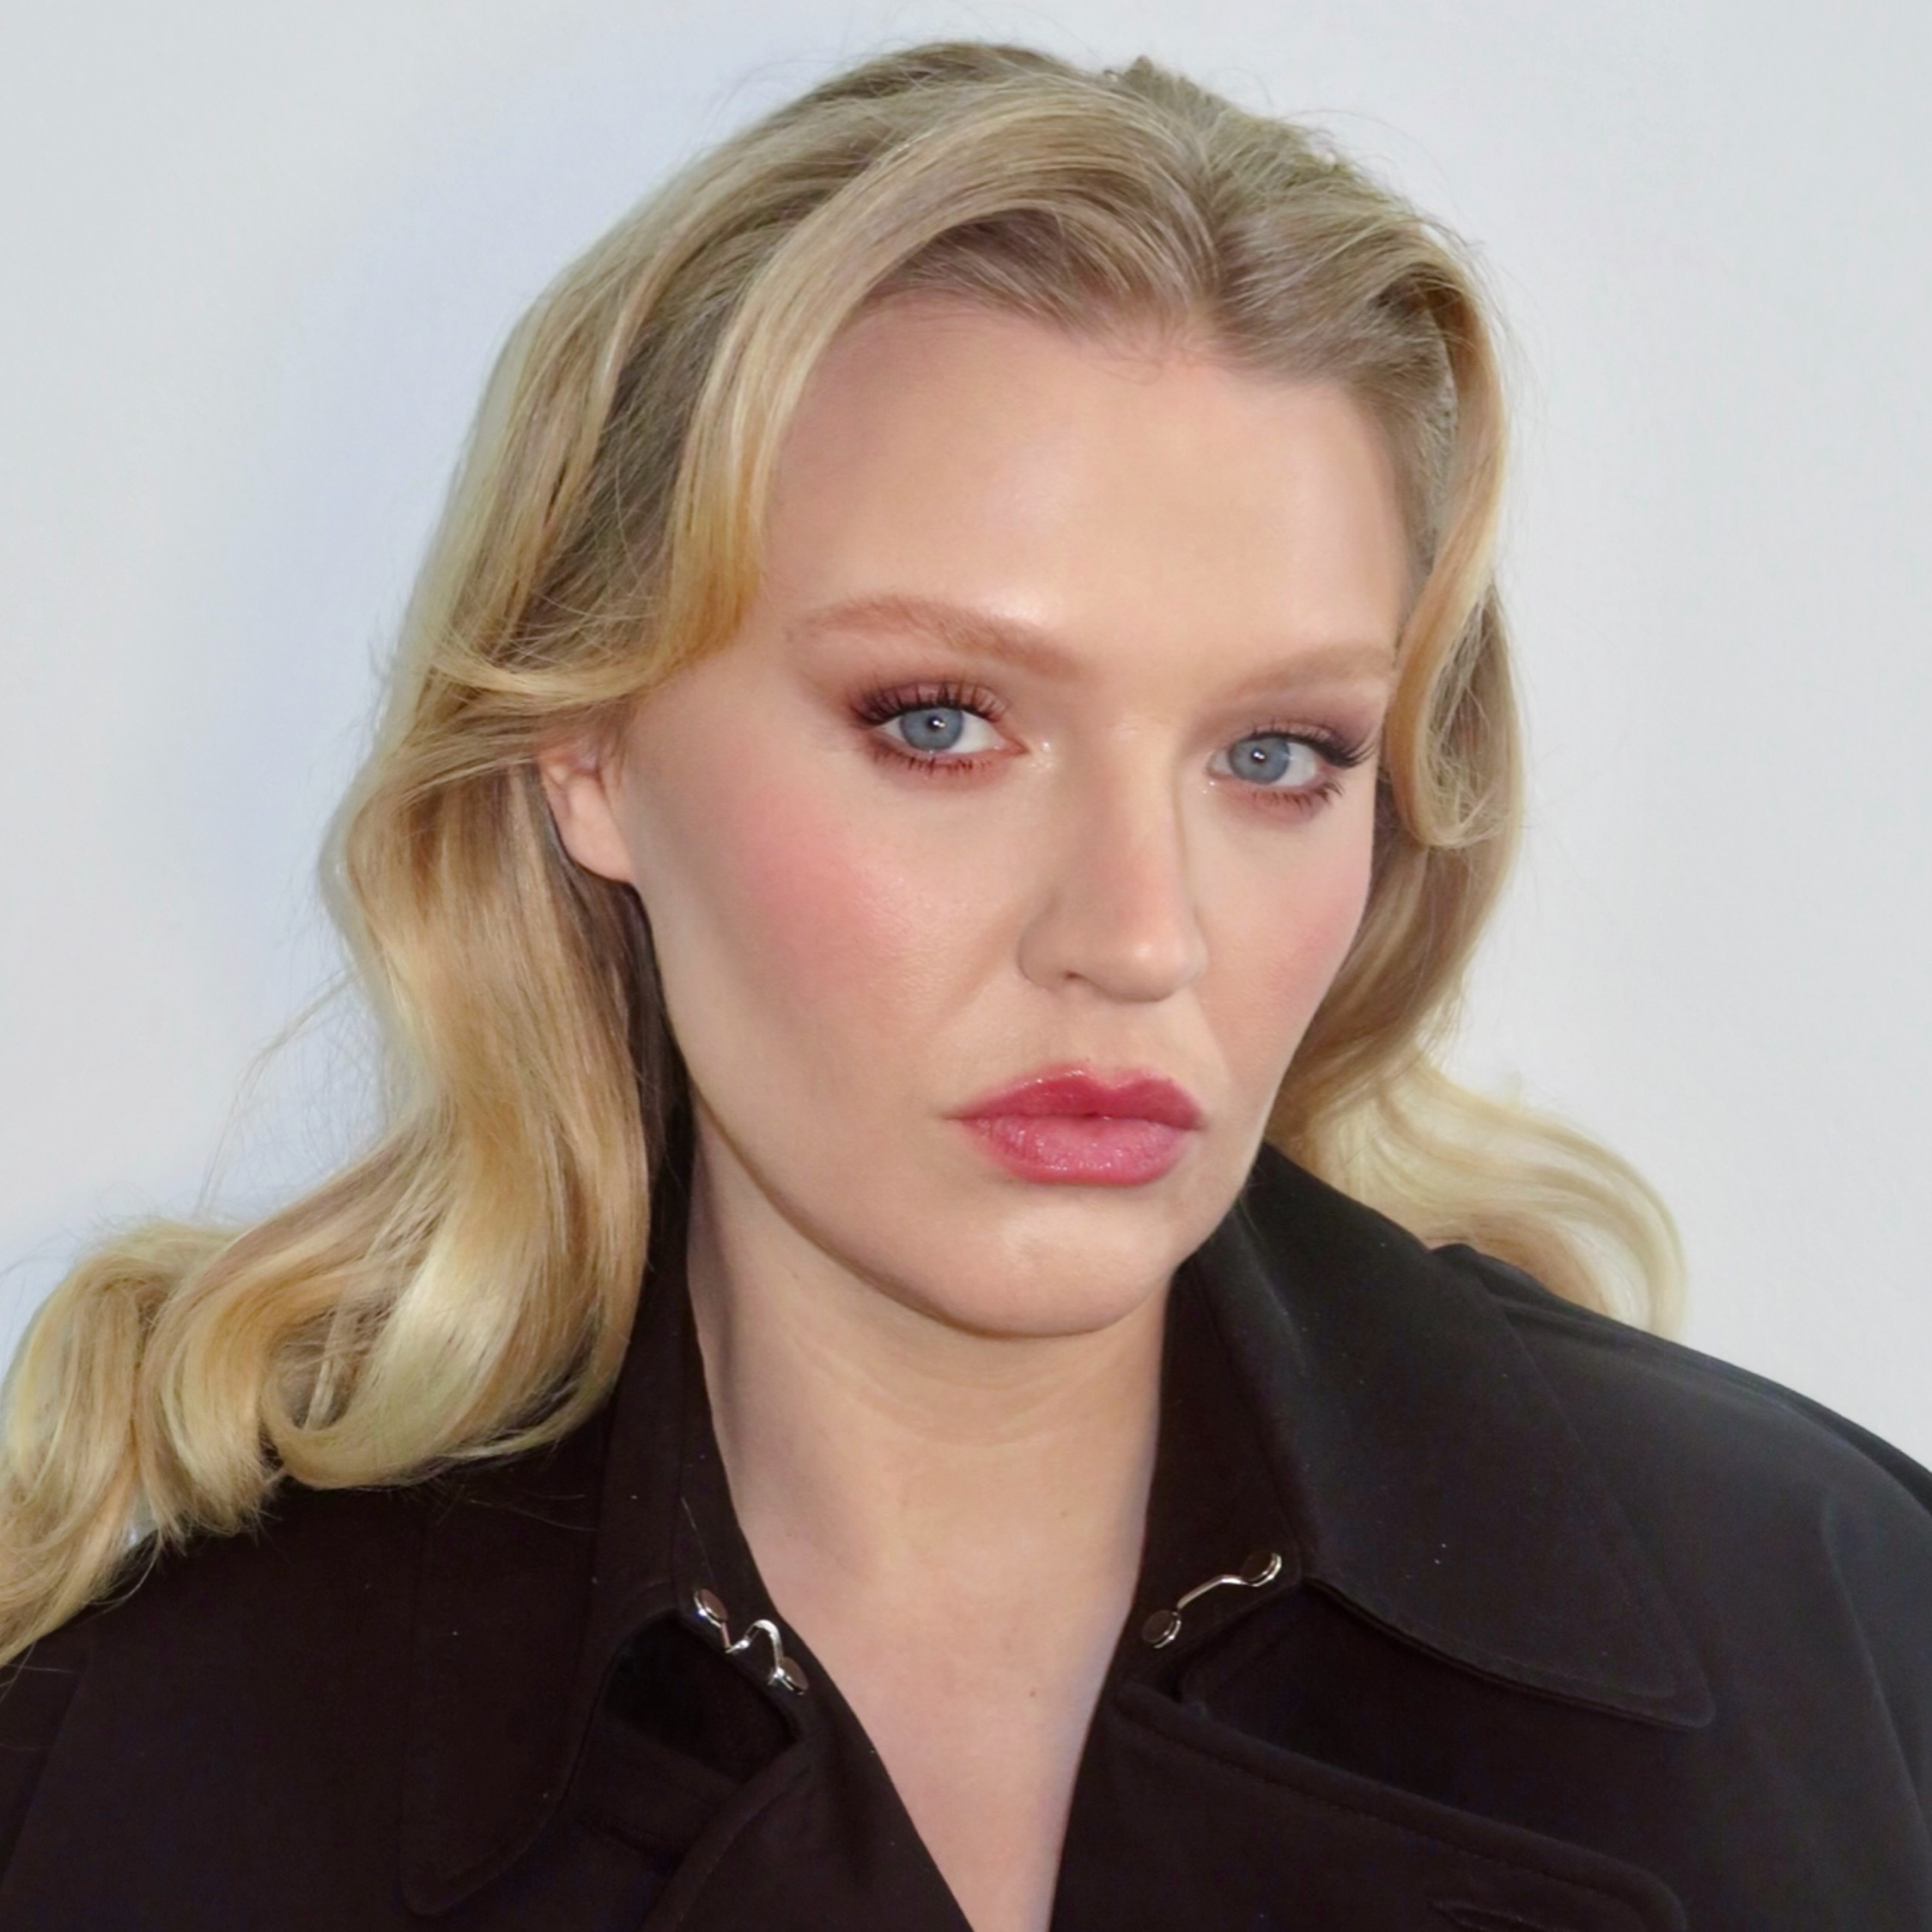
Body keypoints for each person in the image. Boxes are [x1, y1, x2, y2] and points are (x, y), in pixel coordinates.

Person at [0, 38, 1926, 1932]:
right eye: (938, 722)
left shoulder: (1842, 1640)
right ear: (590, 749)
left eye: (1275, 754)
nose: (1140, 935)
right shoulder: (130, 1778)